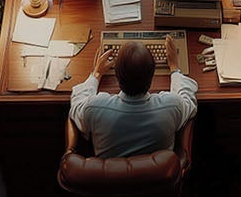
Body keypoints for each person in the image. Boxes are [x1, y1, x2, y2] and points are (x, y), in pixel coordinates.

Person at [68, 41, 196, 159]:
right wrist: (174, 68)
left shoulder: (95, 108)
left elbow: (76, 105)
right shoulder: (172, 106)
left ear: (117, 76)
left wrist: (96, 74)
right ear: (152, 77)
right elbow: (188, 97)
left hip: (109, 179)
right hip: (158, 180)